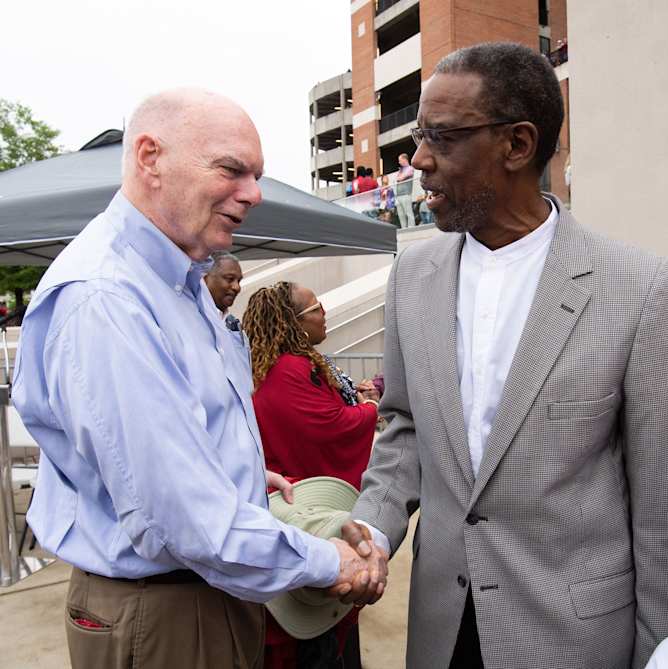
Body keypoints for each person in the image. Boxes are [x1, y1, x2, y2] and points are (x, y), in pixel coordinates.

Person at [343, 42, 668, 669]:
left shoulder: (636, 288)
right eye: (420, 136)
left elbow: (666, 506)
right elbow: (403, 427)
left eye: (444, 139)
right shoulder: (412, 274)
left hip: (574, 639)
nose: (418, 162)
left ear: (517, 145)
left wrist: (666, 652)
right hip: (442, 632)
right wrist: (371, 529)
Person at [12, 88, 387, 669]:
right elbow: (185, 520)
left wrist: (237, 471)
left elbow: (164, 448)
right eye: (231, 169)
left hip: (200, 597)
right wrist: (332, 561)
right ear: (149, 158)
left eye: (257, 175)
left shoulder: (176, 284)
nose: (254, 194)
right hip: (164, 611)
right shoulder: (109, 299)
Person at [243, 281, 380, 669]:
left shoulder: (279, 365)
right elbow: (328, 428)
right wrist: (369, 410)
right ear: (294, 322)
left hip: (296, 512)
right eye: (317, 308)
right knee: (315, 634)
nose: (325, 313)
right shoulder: (290, 369)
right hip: (304, 513)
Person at [203, 251, 243, 317]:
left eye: (239, 281)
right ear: (205, 279)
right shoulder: (192, 316)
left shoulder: (232, 323)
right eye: (230, 279)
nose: (237, 287)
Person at [395, 152, 415, 228]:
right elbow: (397, 179)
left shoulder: (410, 168)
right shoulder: (400, 170)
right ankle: (404, 229)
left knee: (408, 213)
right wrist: (399, 177)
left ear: (404, 159)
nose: (399, 162)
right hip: (399, 195)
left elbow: (401, 178)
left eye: (400, 160)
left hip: (406, 194)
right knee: (401, 214)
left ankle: (412, 229)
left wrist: (400, 177)